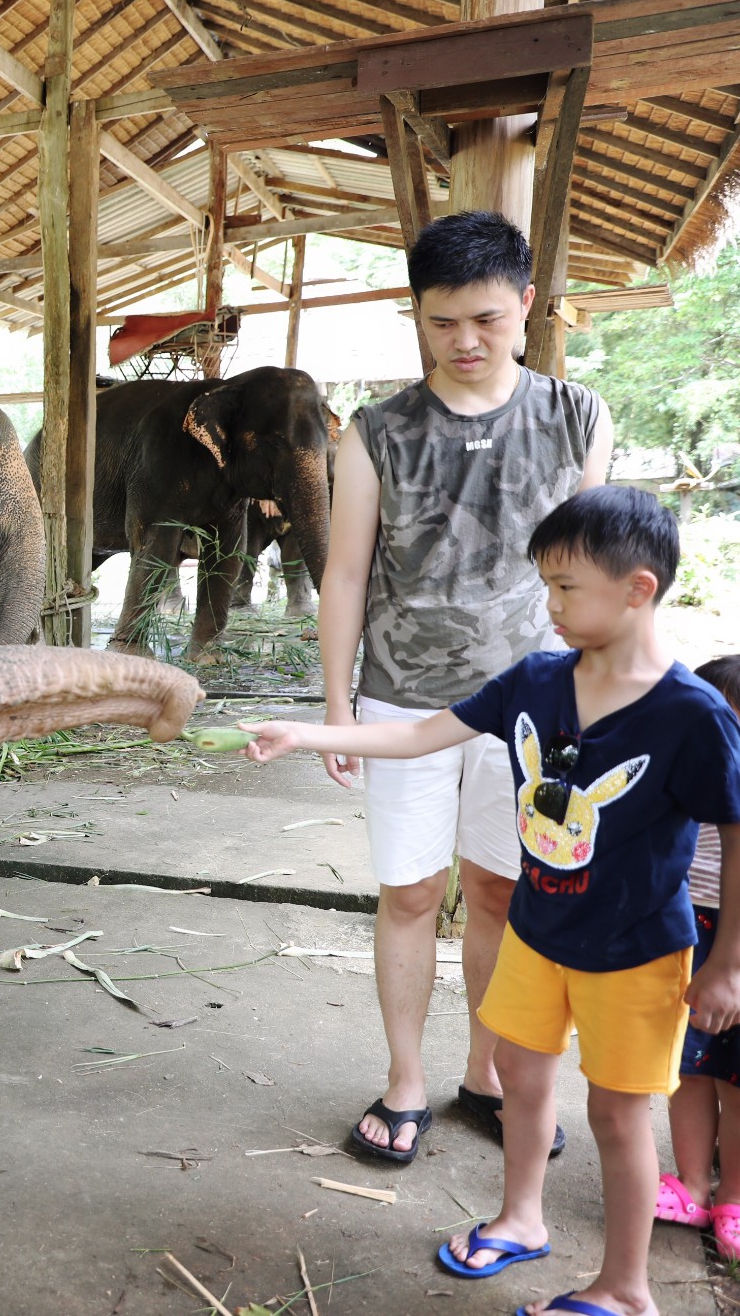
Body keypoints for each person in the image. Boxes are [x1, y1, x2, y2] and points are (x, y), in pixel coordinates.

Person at [246, 487, 740, 1316]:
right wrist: (310, 732)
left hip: (637, 950)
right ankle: (520, 1216)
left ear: (638, 588)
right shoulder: (538, 681)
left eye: (566, 587)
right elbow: (415, 734)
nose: (548, 606)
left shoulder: (691, 714)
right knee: (517, 1071)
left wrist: (727, 961)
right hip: (537, 932)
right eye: (544, 583)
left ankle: (626, 1287)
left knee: (618, 1114)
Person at [319, 210, 614, 1162]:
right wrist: (336, 709)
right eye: (442, 322)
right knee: (410, 892)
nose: (466, 341)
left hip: (536, 704)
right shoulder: (376, 433)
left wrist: (600, 693)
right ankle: (405, 1080)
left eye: (486, 318)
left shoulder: (577, 419)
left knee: (499, 888)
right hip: (405, 694)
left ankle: (486, 1075)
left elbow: (593, 574)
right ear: (418, 316)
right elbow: (347, 576)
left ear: (526, 305)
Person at [655, 655, 740, 1257]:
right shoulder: (679, 783)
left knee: (736, 1080)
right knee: (686, 1065)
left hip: (734, 944)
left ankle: (733, 1198)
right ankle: (690, 1184)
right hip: (684, 929)